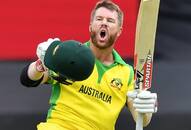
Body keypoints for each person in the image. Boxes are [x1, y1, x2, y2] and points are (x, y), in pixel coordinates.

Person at [20, 0, 157, 130]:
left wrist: (145, 107)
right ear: (90, 26)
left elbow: (142, 120)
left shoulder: (128, 74)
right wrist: (39, 66)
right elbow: (27, 79)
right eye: (99, 19)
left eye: (110, 21)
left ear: (119, 31)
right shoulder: (70, 54)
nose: (104, 23)